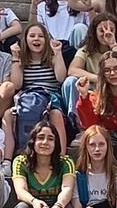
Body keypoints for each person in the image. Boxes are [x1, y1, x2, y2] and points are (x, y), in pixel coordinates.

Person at [10, 119, 77, 208]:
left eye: (50, 139)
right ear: (33, 141)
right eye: (40, 138)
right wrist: (35, 202)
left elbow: (67, 189)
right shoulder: (21, 161)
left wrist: (57, 207)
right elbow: (20, 191)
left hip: (58, 206)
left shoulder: (65, 162)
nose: (45, 142)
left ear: (56, 143)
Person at [7, 22, 70, 151]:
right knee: (8, 115)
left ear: (46, 40)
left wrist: (57, 53)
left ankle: (63, 156)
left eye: (40, 36)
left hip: (50, 97)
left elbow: (61, 78)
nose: (36, 39)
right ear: (25, 40)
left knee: (56, 115)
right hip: (28, 97)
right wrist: (15, 58)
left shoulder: (52, 58)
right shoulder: (22, 60)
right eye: (32, 36)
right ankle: (7, 159)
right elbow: (17, 84)